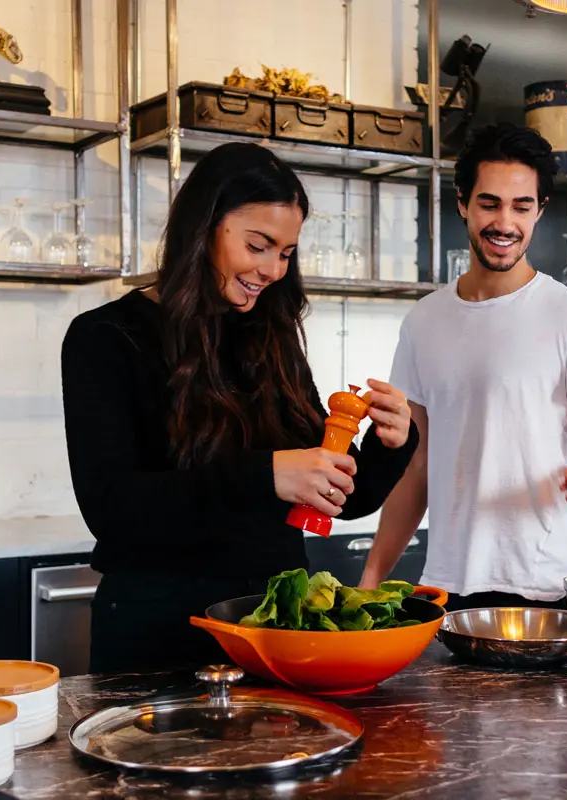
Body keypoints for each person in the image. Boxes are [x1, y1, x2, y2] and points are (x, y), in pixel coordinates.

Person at [61, 142, 419, 674]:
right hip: (158, 638)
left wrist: (389, 443)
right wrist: (266, 475)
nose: (273, 269)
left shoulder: (271, 337)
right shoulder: (105, 337)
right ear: (203, 226)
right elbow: (111, 510)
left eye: (286, 252)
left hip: (275, 630)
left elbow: (337, 501)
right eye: (259, 245)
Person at [359, 122, 567, 611]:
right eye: (489, 203)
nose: (505, 223)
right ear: (462, 204)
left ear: (540, 211)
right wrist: (369, 581)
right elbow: (416, 467)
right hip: (447, 590)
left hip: (549, 591)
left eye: (521, 206)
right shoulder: (424, 321)